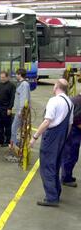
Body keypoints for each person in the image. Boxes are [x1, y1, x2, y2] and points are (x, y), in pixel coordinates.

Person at [30, 79, 73, 207]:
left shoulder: (54, 101)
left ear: (56, 87)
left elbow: (47, 121)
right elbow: (70, 124)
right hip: (62, 137)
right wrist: (64, 138)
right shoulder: (69, 102)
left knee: (47, 166)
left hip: (51, 137)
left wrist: (34, 137)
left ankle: (51, 198)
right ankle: (56, 192)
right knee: (55, 166)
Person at [61, 93, 81, 187]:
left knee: (71, 155)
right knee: (71, 155)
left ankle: (68, 175)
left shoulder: (75, 99)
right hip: (73, 133)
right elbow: (77, 120)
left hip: (72, 132)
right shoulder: (79, 101)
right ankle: (66, 178)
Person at [0, 71, 16, 147]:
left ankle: (7, 140)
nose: (1, 79)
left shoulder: (11, 86)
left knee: (7, 125)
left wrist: (10, 108)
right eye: (1, 77)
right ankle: (0, 139)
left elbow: (12, 98)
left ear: (7, 77)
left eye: (3, 77)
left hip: (6, 108)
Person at [10, 68, 31, 153]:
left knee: (14, 128)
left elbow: (24, 99)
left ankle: (15, 146)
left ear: (19, 75)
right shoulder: (21, 84)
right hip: (20, 111)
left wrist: (20, 112)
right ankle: (18, 146)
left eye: (16, 74)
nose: (16, 76)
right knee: (19, 129)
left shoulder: (24, 85)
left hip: (21, 112)